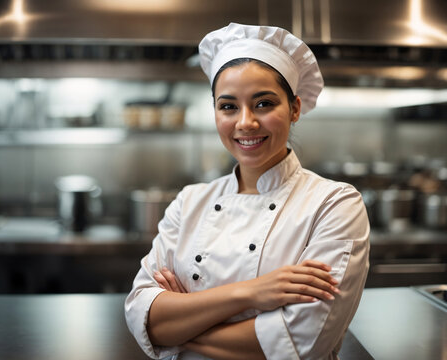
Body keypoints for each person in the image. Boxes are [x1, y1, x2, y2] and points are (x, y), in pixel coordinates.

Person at [125, 22, 370, 360]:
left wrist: (180, 327)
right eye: (228, 106)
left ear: (295, 108)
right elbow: (142, 315)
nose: (245, 123)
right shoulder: (190, 201)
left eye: (264, 103)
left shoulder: (334, 204)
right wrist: (251, 293)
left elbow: (303, 342)